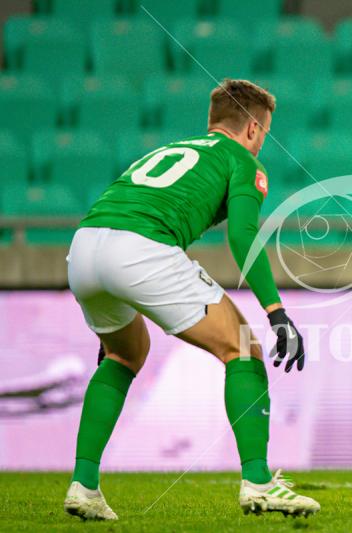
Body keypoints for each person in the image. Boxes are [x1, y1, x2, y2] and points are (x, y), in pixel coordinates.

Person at [63, 79, 320, 520]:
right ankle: (259, 483)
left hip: (84, 248)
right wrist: (276, 312)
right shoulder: (242, 160)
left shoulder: (171, 149)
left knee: (126, 353)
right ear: (253, 128)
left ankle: (83, 486)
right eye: (264, 133)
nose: (262, 143)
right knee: (243, 347)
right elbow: (243, 235)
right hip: (140, 247)